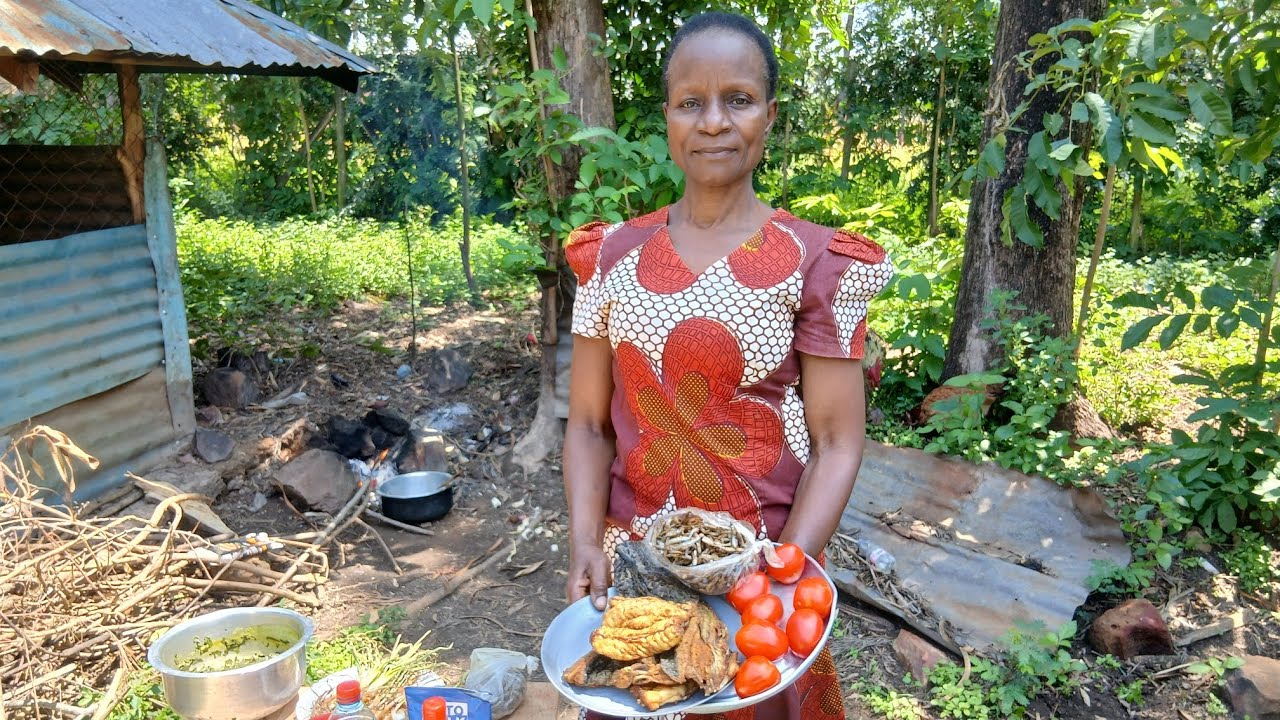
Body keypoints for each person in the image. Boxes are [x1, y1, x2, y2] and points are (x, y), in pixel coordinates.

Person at [561, 11, 893, 720]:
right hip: (639, 566)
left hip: (764, 570)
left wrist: (786, 571)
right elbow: (589, 425)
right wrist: (587, 541)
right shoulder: (613, 258)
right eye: (691, 102)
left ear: (769, 117)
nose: (714, 121)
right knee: (642, 695)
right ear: (668, 118)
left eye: (737, 99)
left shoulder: (816, 262)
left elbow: (838, 441)